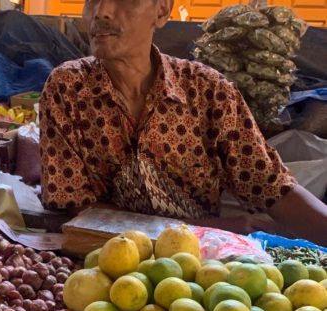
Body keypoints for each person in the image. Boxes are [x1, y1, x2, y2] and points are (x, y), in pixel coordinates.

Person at [40, 0, 327, 245]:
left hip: (194, 270)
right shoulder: (68, 88)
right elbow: (72, 206)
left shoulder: (207, 91)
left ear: (162, 11)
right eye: (92, 0)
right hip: (101, 264)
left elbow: (272, 187)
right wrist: (208, 227)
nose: (102, 11)